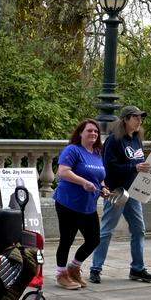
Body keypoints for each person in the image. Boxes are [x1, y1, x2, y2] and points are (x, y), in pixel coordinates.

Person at [89, 106, 151, 284]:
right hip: (117, 191)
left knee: (138, 229)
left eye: (141, 118)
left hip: (133, 191)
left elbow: (138, 162)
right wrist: (133, 167)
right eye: (136, 117)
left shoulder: (136, 139)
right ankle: (95, 268)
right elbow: (109, 167)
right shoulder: (113, 140)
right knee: (106, 230)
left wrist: (144, 170)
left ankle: (138, 268)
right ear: (126, 119)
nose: (140, 121)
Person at [53, 119, 110, 290]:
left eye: (96, 131)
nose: (93, 133)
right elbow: (62, 172)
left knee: (94, 240)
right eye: (89, 131)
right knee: (66, 239)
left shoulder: (97, 153)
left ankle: (74, 267)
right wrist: (83, 182)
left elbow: (99, 177)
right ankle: (61, 274)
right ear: (80, 133)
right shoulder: (73, 150)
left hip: (88, 205)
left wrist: (103, 187)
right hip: (68, 202)